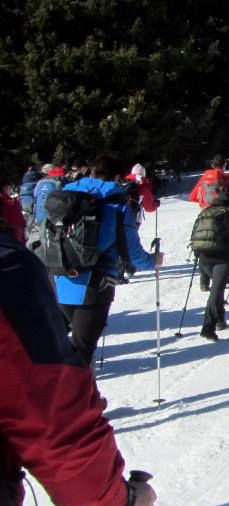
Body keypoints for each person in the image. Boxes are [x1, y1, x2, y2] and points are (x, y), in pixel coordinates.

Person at [0, 209, 157, 506]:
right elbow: (51, 421)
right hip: (91, 287)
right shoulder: (6, 267)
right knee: (72, 359)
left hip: (66, 286)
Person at [54, 155, 162, 367]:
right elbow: (131, 252)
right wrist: (153, 261)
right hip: (95, 286)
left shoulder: (65, 196)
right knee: (82, 356)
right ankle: (79, 398)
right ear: (116, 177)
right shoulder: (116, 204)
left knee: (65, 350)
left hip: (61, 279)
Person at [189, 187, 229, 341]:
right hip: (223, 256)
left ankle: (220, 320)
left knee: (218, 288)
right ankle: (208, 327)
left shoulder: (207, 210)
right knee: (216, 290)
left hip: (204, 256)